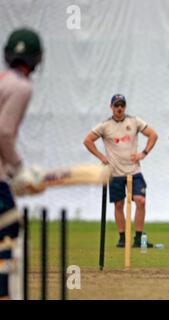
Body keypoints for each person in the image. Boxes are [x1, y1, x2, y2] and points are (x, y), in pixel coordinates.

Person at [0, 28, 43, 299]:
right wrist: (19, 169)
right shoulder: (22, 87)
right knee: (9, 228)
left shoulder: (3, 80)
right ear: (37, 58)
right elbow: (3, 132)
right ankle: (3, 292)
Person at [84, 94, 158, 248]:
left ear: (125, 107)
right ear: (111, 107)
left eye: (122, 105)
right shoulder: (105, 125)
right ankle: (122, 237)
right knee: (119, 204)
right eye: (116, 105)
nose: (119, 108)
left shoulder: (134, 121)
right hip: (115, 172)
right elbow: (88, 140)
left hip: (134, 171)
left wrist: (143, 153)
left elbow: (153, 135)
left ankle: (138, 238)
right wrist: (102, 157)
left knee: (140, 201)